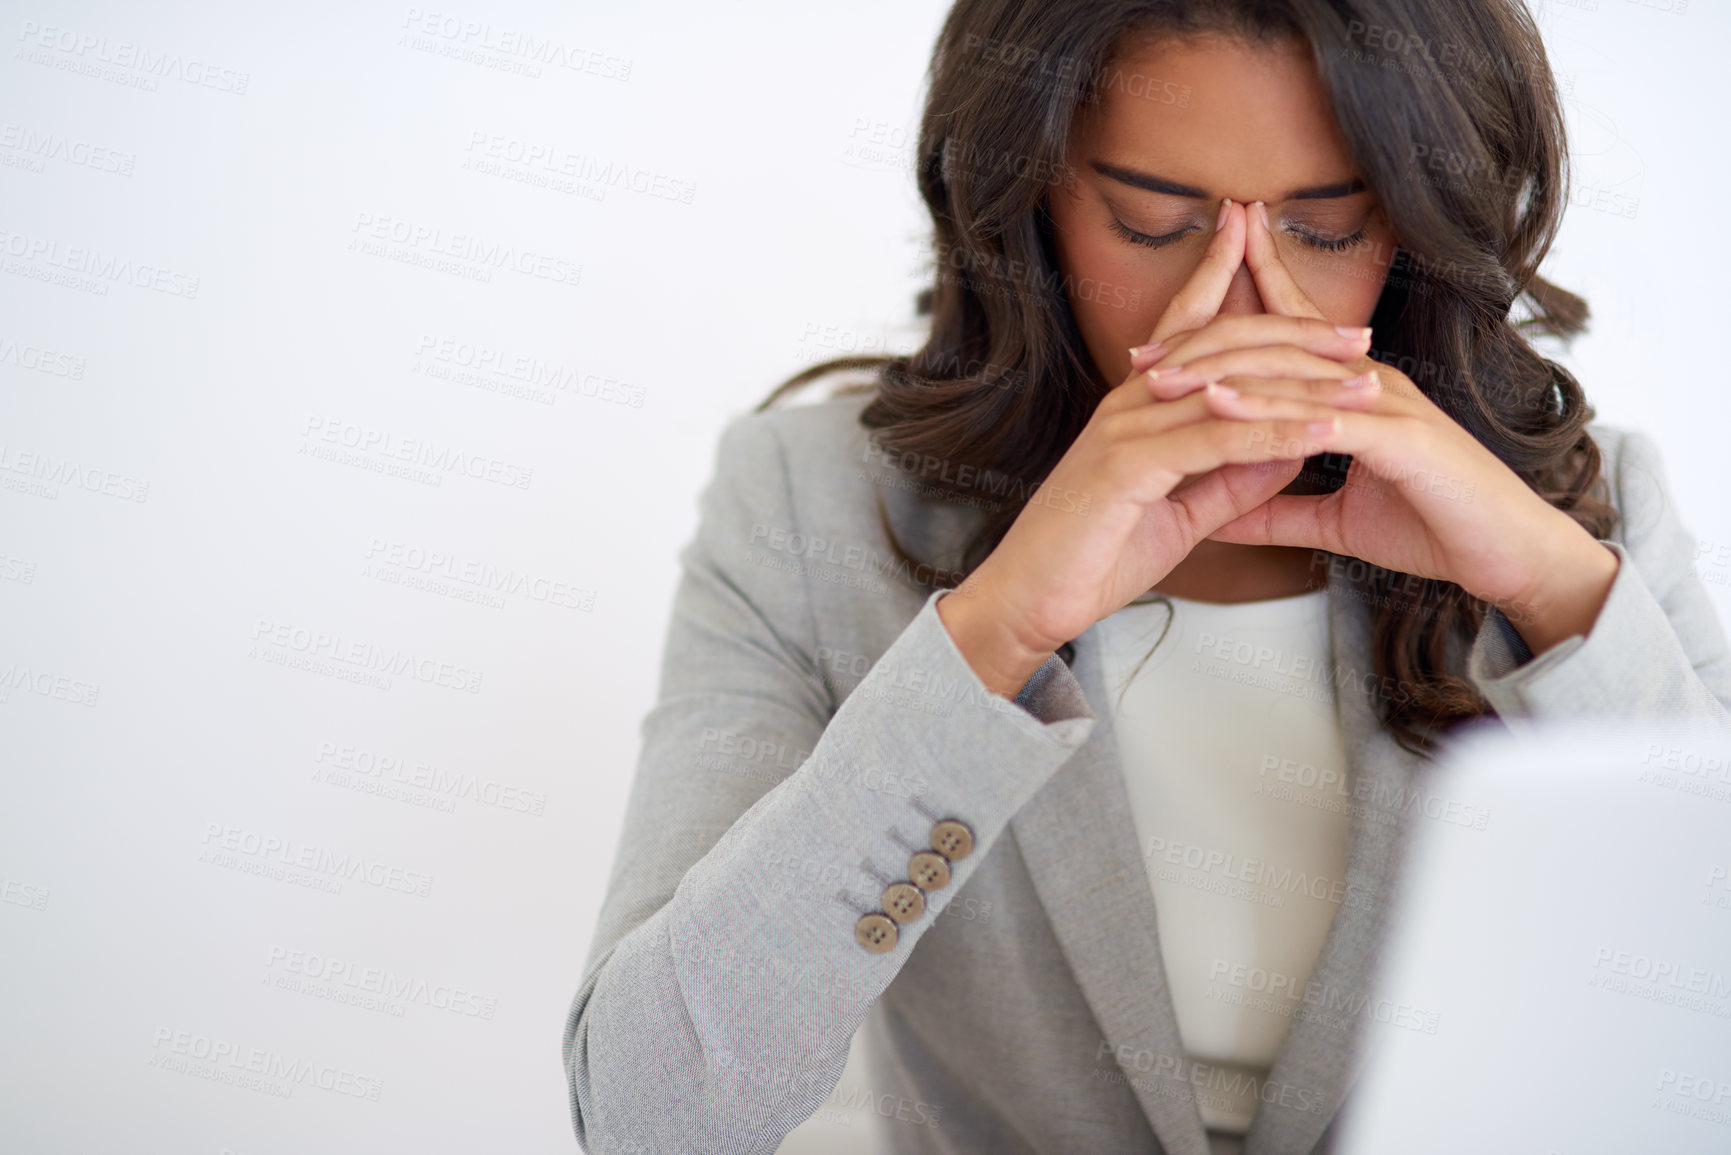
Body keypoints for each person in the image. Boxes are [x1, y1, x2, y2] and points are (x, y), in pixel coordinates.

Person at [563, 2, 1731, 1152]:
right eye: (1152, 221)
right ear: (1027, 206)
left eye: (1327, 229)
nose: (1237, 303)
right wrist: (994, 634)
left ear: (1418, 227)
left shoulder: (1589, 514)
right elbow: (650, 1116)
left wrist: (1553, 592)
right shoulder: (810, 502)